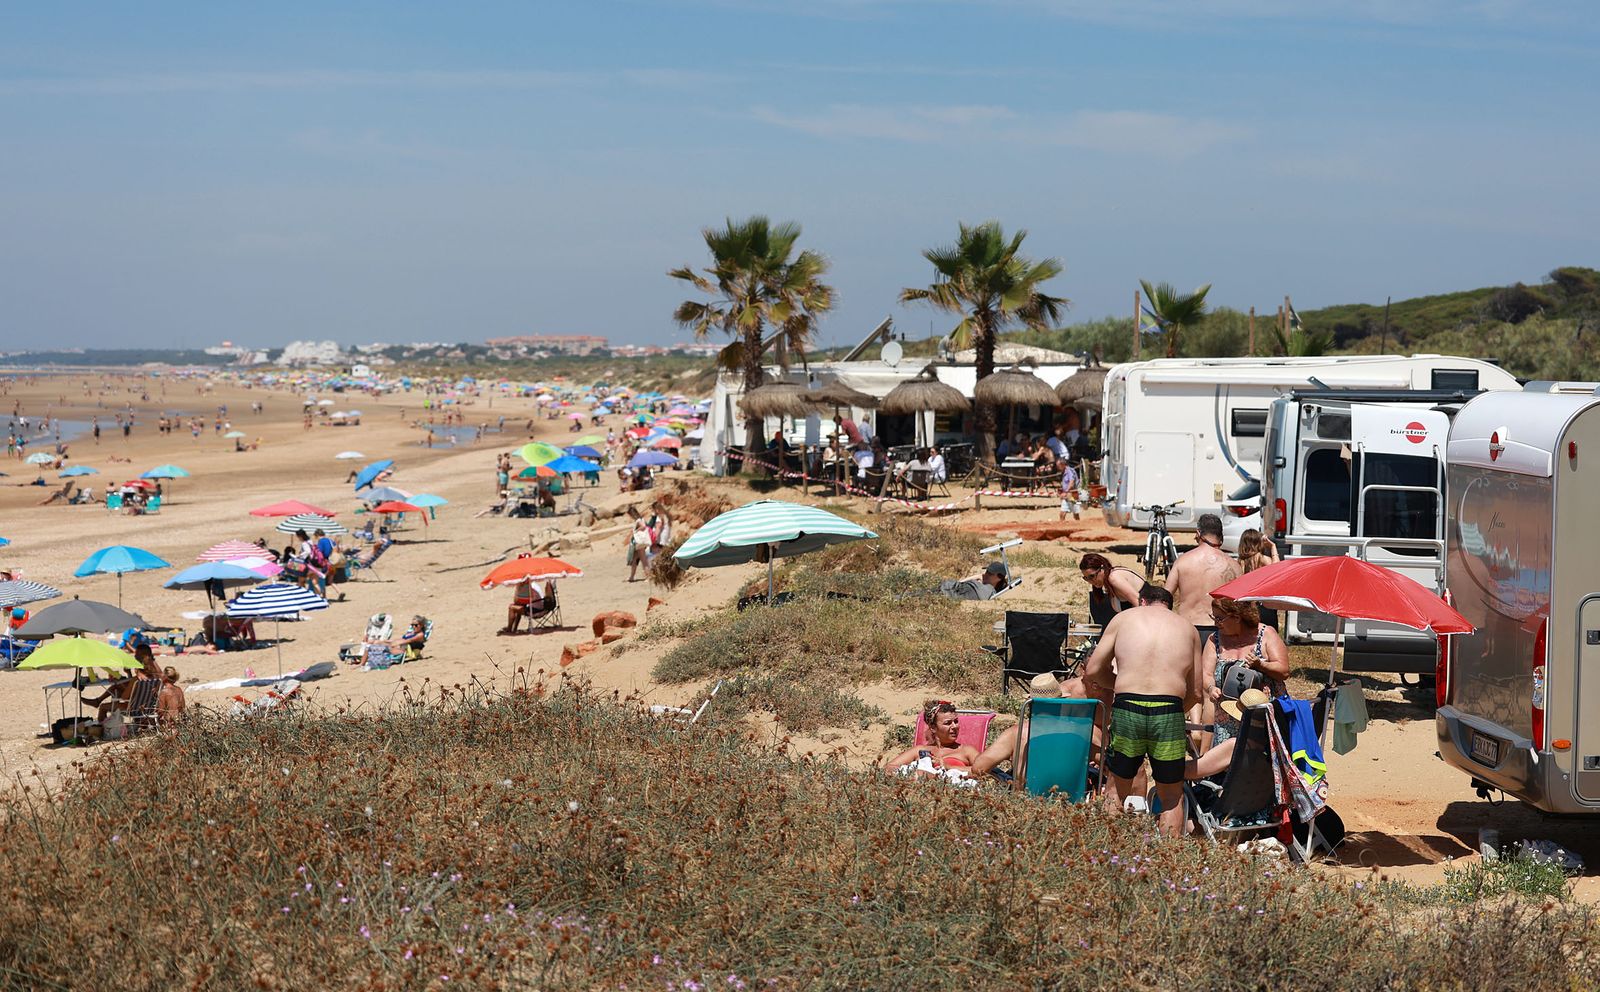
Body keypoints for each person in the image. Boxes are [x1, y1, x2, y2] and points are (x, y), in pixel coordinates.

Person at [1081, 583, 1202, 837]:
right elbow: (1196, 693)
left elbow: (1092, 671)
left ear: (1142, 602)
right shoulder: (1187, 628)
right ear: (1169, 605)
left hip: (1128, 708)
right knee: (1171, 795)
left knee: (1116, 788)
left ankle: (1108, 850)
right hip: (1169, 710)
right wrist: (1177, 710)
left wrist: (1118, 687)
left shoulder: (1123, 619)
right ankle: (1167, 861)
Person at [1191, 596, 1290, 780]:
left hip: (1260, 717)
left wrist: (1261, 665)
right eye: (1214, 618)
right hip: (1226, 718)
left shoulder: (1265, 634)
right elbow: (1205, 674)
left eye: (1220, 618)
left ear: (1237, 616)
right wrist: (1211, 687)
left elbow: (1283, 670)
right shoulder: (1215, 640)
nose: (1216, 623)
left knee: (1258, 768)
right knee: (1227, 770)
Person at [1165, 512, 1242, 642]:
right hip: (1221, 630)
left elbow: (1165, 597)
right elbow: (1242, 605)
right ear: (1220, 536)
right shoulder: (1235, 566)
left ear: (1198, 533)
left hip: (1188, 628)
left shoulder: (1182, 561)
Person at [883, 700, 980, 778]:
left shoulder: (966, 751)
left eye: (956, 721)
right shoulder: (920, 750)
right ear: (933, 728)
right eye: (948, 723)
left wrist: (948, 767)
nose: (955, 726)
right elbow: (889, 767)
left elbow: (986, 771)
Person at [1079, 553, 1144, 627]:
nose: (1090, 581)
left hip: (1153, 615)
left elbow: (1139, 602)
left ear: (1102, 568)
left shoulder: (1114, 578)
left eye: (1092, 576)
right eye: (1086, 578)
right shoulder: (1109, 585)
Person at [1235, 528, 1280, 630]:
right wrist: (1273, 547)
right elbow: (1278, 571)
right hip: (1263, 606)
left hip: (1245, 605)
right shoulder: (1261, 558)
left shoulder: (1238, 562)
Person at [939, 561, 1008, 600]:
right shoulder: (984, 586)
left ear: (999, 578)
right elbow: (959, 583)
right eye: (986, 572)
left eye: (990, 573)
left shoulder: (990, 590)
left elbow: (958, 585)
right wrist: (978, 576)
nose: (986, 574)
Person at [1058, 457, 1081, 521]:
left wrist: (1065, 492)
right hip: (1067, 495)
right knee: (1062, 514)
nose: (1058, 468)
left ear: (1063, 464)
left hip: (1072, 495)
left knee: (1075, 514)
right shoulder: (1064, 472)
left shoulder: (1069, 471)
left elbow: (1072, 483)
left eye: (1059, 466)